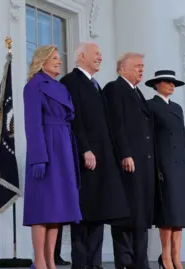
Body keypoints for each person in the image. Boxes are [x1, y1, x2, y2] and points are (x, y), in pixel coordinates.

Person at [60, 42, 130, 269]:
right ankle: (81, 265)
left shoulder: (96, 85)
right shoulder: (70, 82)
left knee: (99, 213)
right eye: (96, 54)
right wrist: (84, 148)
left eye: (101, 54)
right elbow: (74, 118)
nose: (101, 57)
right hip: (85, 158)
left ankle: (96, 265)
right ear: (81, 56)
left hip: (103, 160)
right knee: (83, 215)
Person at [22, 45, 82, 269]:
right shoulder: (34, 86)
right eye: (54, 58)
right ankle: (39, 260)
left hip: (63, 147)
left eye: (59, 58)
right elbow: (32, 124)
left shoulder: (61, 88)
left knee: (57, 208)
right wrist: (38, 157)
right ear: (42, 61)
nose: (59, 61)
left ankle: (50, 261)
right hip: (46, 148)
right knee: (42, 207)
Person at [103, 52, 156, 269]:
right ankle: (125, 263)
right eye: (136, 66)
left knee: (141, 217)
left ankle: (141, 263)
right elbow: (116, 124)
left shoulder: (138, 93)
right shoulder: (114, 89)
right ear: (122, 68)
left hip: (144, 164)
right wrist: (125, 153)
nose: (141, 70)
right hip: (127, 163)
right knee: (126, 216)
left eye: (142, 66)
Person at [146, 70, 185, 269]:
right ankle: (165, 257)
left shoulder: (177, 108)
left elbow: (184, 139)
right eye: (168, 82)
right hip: (164, 164)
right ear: (157, 84)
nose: (171, 85)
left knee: (180, 215)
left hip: (182, 165)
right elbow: (149, 139)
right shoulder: (151, 106)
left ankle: (177, 257)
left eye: (173, 83)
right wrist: (154, 166)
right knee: (168, 214)